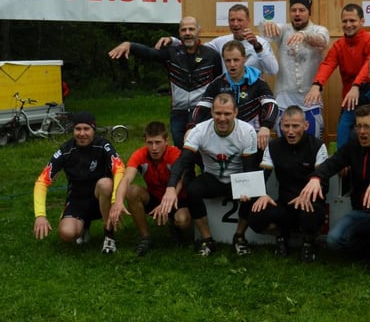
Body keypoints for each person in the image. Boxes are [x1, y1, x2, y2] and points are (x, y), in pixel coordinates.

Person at [297, 105, 370, 270]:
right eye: (358, 126)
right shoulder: (353, 145)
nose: (361, 132)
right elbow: (332, 163)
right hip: (361, 212)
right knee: (333, 241)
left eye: (367, 127)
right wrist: (316, 178)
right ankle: (369, 247)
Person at [108, 16, 222, 148]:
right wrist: (130, 45)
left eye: (191, 29)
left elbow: (218, 84)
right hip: (178, 112)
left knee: (202, 149)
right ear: (179, 33)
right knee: (180, 149)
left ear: (199, 31)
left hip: (202, 111)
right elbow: (150, 53)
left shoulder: (212, 55)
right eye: (184, 30)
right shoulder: (171, 53)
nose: (187, 33)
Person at [167, 93, 258, 256]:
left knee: (254, 191)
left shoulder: (247, 131)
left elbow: (250, 167)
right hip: (212, 177)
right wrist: (171, 187)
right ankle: (207, 239)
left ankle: (239, 237)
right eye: (218, 113)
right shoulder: (200, 130)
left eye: (227, 114)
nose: (222, 118)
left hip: (237, 178)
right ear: (211, 112)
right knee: (193, 190)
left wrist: (248, 188)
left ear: (235, 112)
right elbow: (183, 160)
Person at [33, 111, 125, 254]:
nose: (82, 133)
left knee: (105, 184)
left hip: (101, 199)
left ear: (93, 129)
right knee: (67, 234)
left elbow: (119, 169)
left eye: (86, 129)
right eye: (78, 129)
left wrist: (115, 201)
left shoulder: (103, 145)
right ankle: (84, 226)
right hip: (77, 199)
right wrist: (40, 215)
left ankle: (109, 235)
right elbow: (41, 182)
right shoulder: (65, 150)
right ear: (73, 130)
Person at [247, 105, 329, 262]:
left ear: (306, 125)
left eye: (295, 126)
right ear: (281, 126)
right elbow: (263, 174)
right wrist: (261, 194)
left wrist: (306, 197)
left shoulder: (318, 146)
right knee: (256, 216)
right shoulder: (273, 146)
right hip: (285, 203)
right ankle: (281, 237)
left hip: (310, 203)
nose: (290, 131)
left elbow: (324, 182)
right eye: (286, 126)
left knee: (311, 215)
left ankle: (308, 243)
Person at [304, 3, 370, 148]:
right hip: (349, 101)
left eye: (352, 20)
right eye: (345, 21)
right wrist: (317, 85)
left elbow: (369, 64)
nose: (348, 25)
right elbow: (328, 64)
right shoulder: (339, 45)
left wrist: (356, 85)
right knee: (343, 138)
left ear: (362, 21)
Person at [107, 121, 191, 256]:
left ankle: (175, 226)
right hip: (155, 198)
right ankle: (145, 238)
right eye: (150, 143)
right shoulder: (140, 154)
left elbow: (182, 179)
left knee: (183, 221)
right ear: (145, 141)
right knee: (131, 191)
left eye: (158, 142)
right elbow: (126, 179)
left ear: (166, 141)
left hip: (177, 199)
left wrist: (169, 200)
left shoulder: (175, 154)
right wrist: (118, 201)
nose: (154, 148)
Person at [260, 0, 330, 139]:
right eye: (293, 10)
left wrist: (305, 35)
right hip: (284, 97)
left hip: (310, 99)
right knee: (284, 144)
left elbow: (322, 41)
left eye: (302, 10)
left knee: (312, 143)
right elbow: (266, 32)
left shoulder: (319, 29)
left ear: (309, 12)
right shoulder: (284, 30)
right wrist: (267, 24)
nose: (297, 14)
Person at [191, 40, 278, 152]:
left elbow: (271, 105)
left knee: (268, 146)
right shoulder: (217, 83)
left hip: (252, 136)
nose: (232, 64)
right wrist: (191, 127)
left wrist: (266, 126)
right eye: (228, 60)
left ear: (244, 59)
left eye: (236, 60)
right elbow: (201, 108)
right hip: (224, 136)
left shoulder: (258, 82)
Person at [156, 4, 278, 76]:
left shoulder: (261, 43)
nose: (235, 24)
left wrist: (257, 47)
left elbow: (273, 70)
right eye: (232, 20)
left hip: (252, 95)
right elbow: (195, 47)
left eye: (239, 20)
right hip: (227, 97)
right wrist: (173, 41)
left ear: (248, 21)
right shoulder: (221, 42)